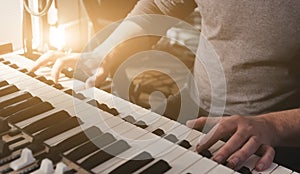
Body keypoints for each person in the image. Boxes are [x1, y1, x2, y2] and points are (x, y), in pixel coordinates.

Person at [30, 0, 300, 172]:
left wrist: (275, 125)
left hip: (278, 133)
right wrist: (103, 53)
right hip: (197, 106)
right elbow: (158, 6)